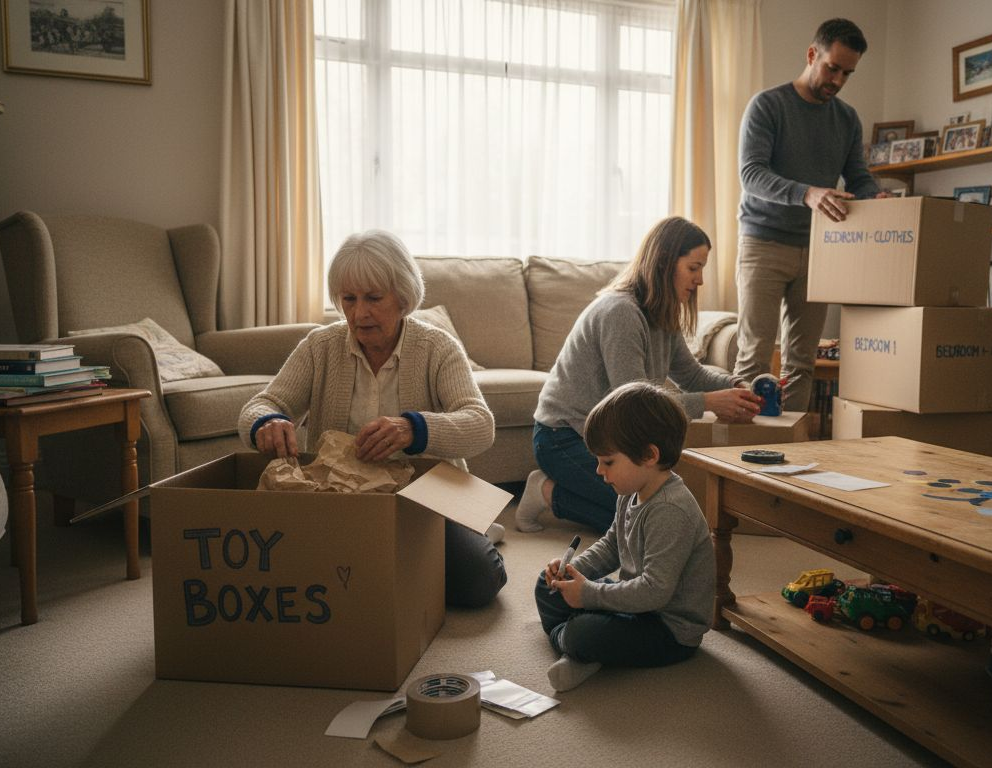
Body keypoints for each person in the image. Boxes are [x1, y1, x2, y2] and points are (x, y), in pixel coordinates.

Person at [238, 230, 507, 609]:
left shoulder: (437, 347)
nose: (359, 313)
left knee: (478, 582)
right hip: (338, 495)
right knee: (299, 576)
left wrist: (413, 428)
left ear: (403, 297)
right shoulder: (320, 346)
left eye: (373, 298)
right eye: (348, 299)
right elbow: (262, 403)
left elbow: (480, 424)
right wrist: (266, 422)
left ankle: (476, 533)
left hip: (426, 492)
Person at [518, 216, 761, 535]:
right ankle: (545, 492)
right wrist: (709, 403)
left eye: (702, 268)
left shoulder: (661, 313)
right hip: (563, 437)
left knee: (661, 513)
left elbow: (692, 375)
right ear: (663, 263)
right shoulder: (620, 312)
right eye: (693, 267)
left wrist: (736, 387)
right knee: (644, 523)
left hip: (611, 439)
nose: (700, 280)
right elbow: (633, 407)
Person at [733, 18, 889, 413]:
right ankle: (738, 456)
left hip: (819, 248)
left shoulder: (848, 119)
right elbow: (751, 175)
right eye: (832, 67)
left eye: (847, 73)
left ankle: (790, 451)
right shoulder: (768, 106)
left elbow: (858, 178)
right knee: (755, 356)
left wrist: (878, 198)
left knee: (802, 362)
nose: (837, 80)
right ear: (811, 54)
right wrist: (808, 193)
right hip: (763, 242)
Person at [533, 381, 715, 692]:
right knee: (546, 585)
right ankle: (581, 652)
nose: (599, 472)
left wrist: (587, 594)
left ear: (648, 455)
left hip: (668, 628)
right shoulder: (629, 491)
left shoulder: (672, 510)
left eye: (608, 462)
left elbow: (655, 591)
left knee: (584, 632)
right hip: (635, 604)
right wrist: (575, 571)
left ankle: (577, 646)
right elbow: (612, 545)